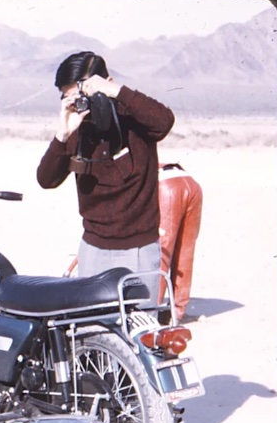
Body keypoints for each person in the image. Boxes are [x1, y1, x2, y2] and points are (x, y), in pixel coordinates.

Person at [36, 51, 175, 305]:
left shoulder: (134, 118)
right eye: (70, 96)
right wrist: (62, 135)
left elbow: (164, 121)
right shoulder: (78, 128)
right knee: (91, 333)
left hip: (140, 250)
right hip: (94, 250)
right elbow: (46, 180)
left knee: (140, 333)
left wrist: (118, 92)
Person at [157, 162, 203, 323]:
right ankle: (178, 312)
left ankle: (152, 311)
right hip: (191, 183)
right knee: (185, 251)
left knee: (161, 252)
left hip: (165, 185)